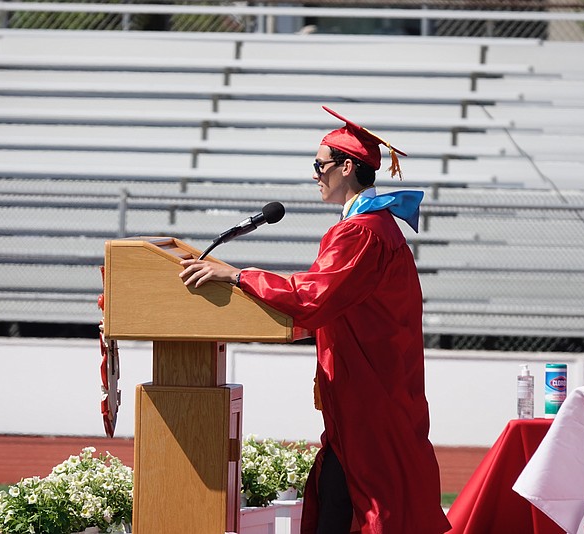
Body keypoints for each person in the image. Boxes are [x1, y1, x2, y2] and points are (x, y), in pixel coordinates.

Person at [180, 106, 451, 534]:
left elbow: (313, 297)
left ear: (347, 167)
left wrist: (237, 275)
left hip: (369, 395)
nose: (314, 175)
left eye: (319, 165)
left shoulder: (362, 230)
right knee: (342, 500)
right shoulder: (373, 226)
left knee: (369, 505)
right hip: (366, 392)